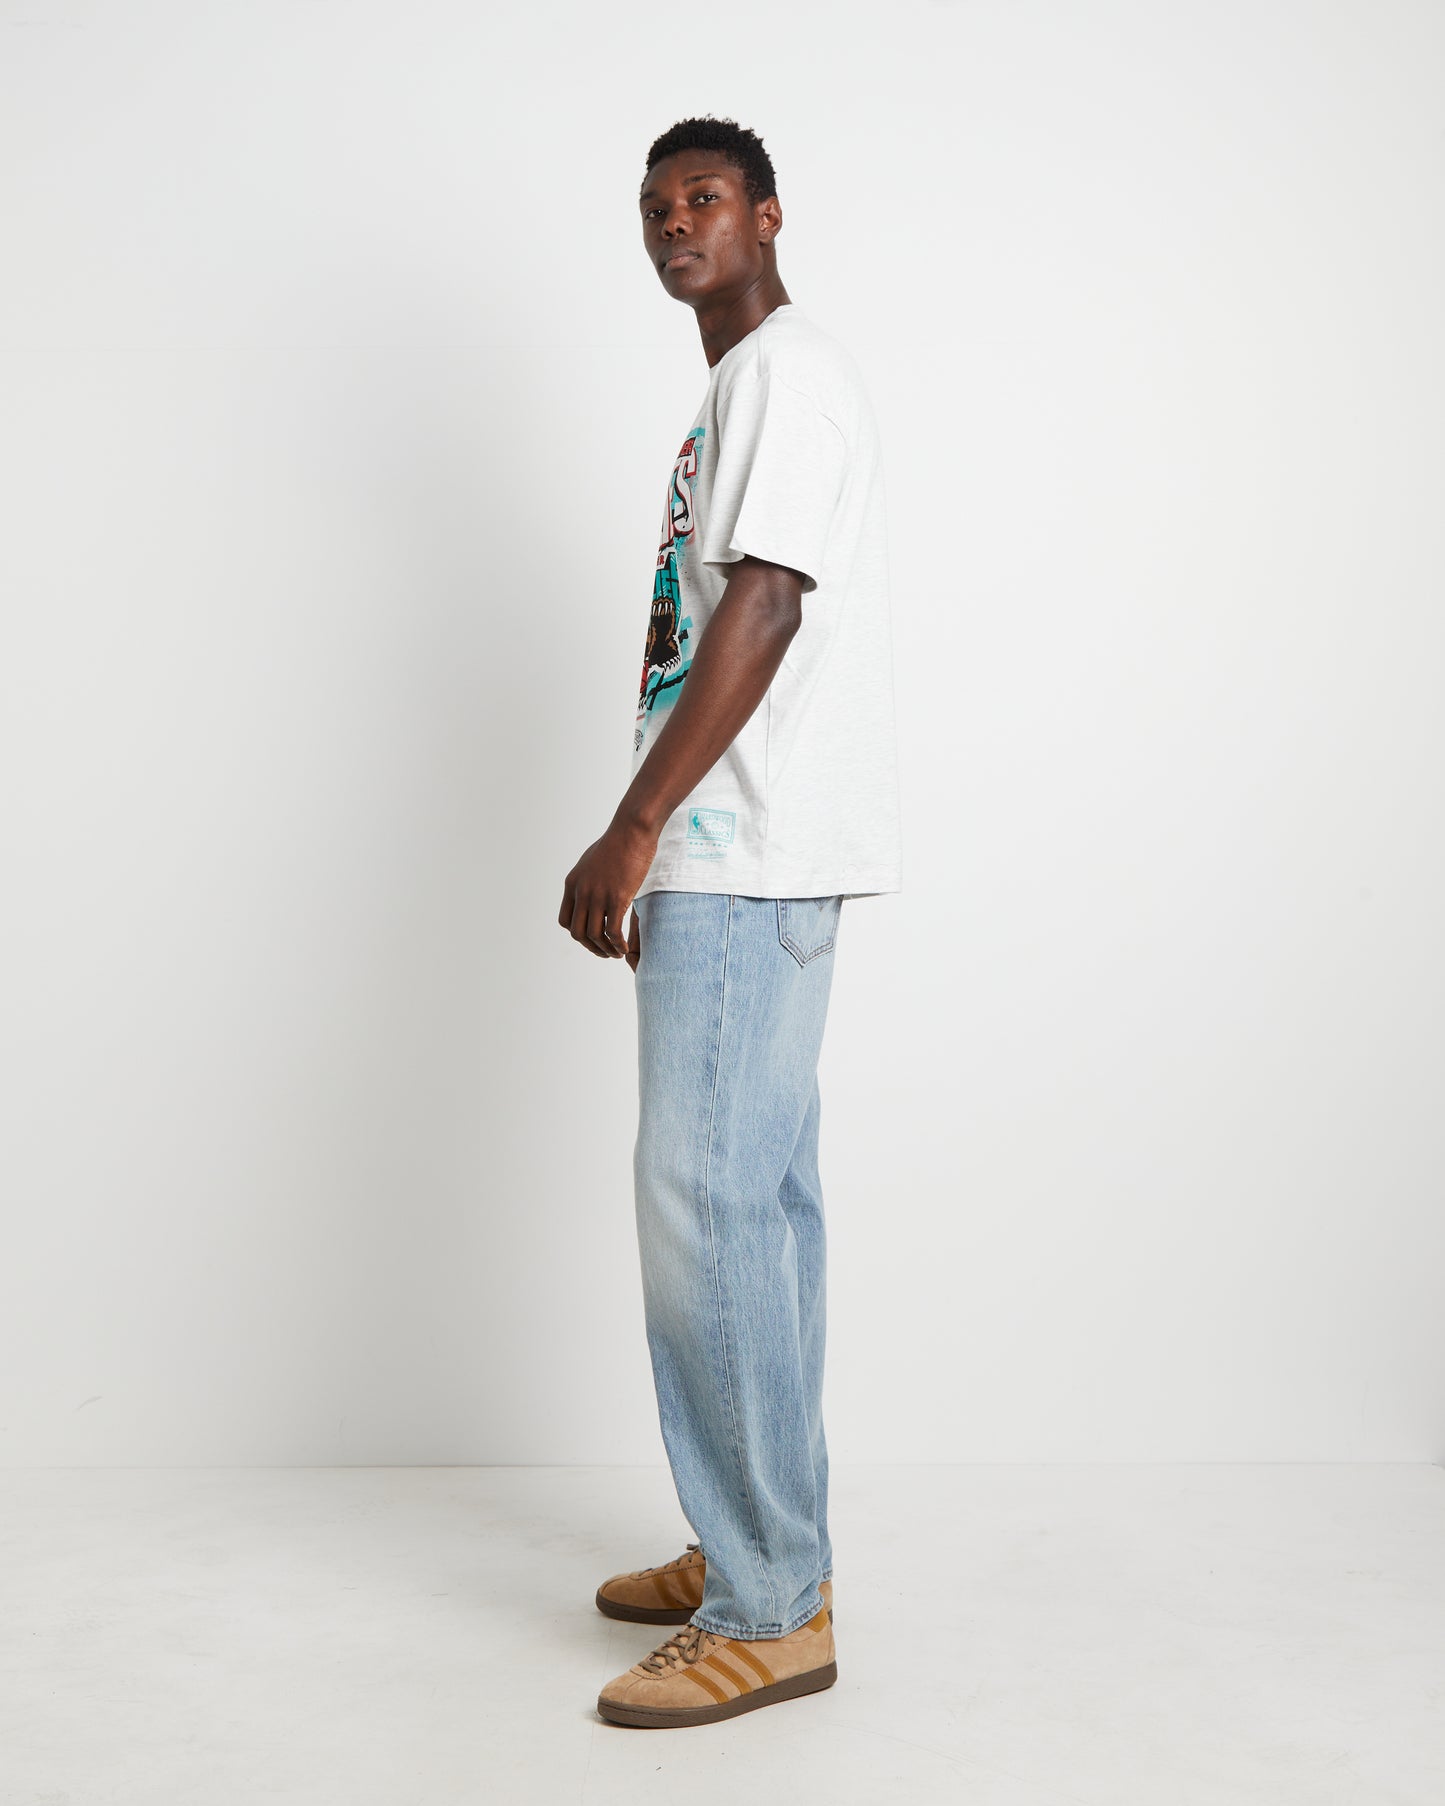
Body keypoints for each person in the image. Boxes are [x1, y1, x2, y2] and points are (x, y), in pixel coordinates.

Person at [557, 114, 902, 1728]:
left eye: (702, 198)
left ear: (767, 215)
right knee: (754, 1214)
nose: (673, 224)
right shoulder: (750, 383)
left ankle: (767, 1602)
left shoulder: (780, 374)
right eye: (653, 207)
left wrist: (635, 824)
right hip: (752, 846)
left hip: (737, 845)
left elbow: (762, 600)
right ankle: (763, 1544)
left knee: (706, 1211)